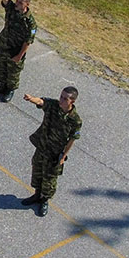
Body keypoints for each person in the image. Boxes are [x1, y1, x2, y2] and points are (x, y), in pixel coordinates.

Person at [21, 88, 82, 217]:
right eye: (61, 96)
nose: (61, 100)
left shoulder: (75, 120)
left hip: (55, 153)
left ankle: (44, 200)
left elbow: (72, 139)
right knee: (37, 171)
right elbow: (42, 102)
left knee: (49, 178)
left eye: (65, 99)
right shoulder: (54, 106)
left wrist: (63, 156)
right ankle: (37, 195)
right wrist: (31, 99)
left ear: (72, 101)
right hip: (42, 146)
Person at [0, 0, 37, 102]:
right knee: (1, 67)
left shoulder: (30, 22)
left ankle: (10, 90)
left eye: (20, 2)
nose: (17, 3)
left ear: (27, 4)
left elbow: (28, 42)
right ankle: (2, 86)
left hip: (16, 51)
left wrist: (19, 56)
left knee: (13, 73)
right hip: (4, 45)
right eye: (17, 0)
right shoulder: (12, 8)